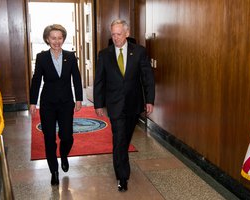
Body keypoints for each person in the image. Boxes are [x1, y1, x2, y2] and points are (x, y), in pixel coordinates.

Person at [93, 19, 155, 192]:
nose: (115, 37)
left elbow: (147, 78)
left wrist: (149, 100)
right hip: (114, 105)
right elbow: (99, 81)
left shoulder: (139, 52)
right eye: (113, 34)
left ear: (127, 33)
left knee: (125, 138)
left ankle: (122, 161)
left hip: (134, 104)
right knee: (119, 139)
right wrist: (98, 103)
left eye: (119, 34)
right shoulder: (104, 54)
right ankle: (122, 176)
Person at [29, 24, 83, 186]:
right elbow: (36, 80)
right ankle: (54, 170)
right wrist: (32, 101)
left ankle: (64, 155)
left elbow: (77, 79)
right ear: (47, 39)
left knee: (67, 136)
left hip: (66, 103)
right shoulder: (42, 57)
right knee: (49, 137)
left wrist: (78, 99)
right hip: (48, 104)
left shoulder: (71, 56)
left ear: (63, 39)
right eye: (53, 38)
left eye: (60, 38)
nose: (57, 41)